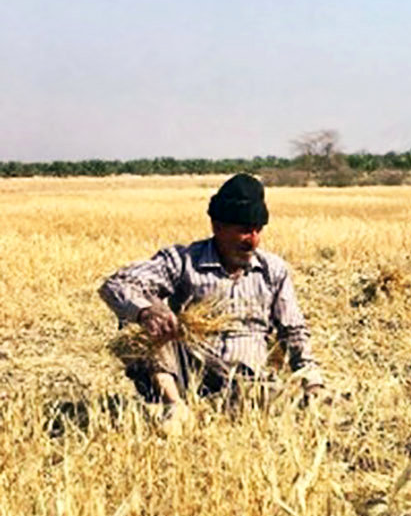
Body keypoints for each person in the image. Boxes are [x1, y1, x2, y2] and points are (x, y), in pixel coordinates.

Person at [99, 173, 324, 433]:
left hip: (247, 380)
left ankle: (233, 411)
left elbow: (293, 331)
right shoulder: (183, 261)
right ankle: (174, 407)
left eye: (257, 230)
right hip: (189, 371)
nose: (252, 240)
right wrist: (147, 312)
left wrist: (312, 382)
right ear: (217, 226)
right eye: (242, 230)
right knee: (136, 318)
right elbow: (116, 284)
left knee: (275, 399)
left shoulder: (272, 270)